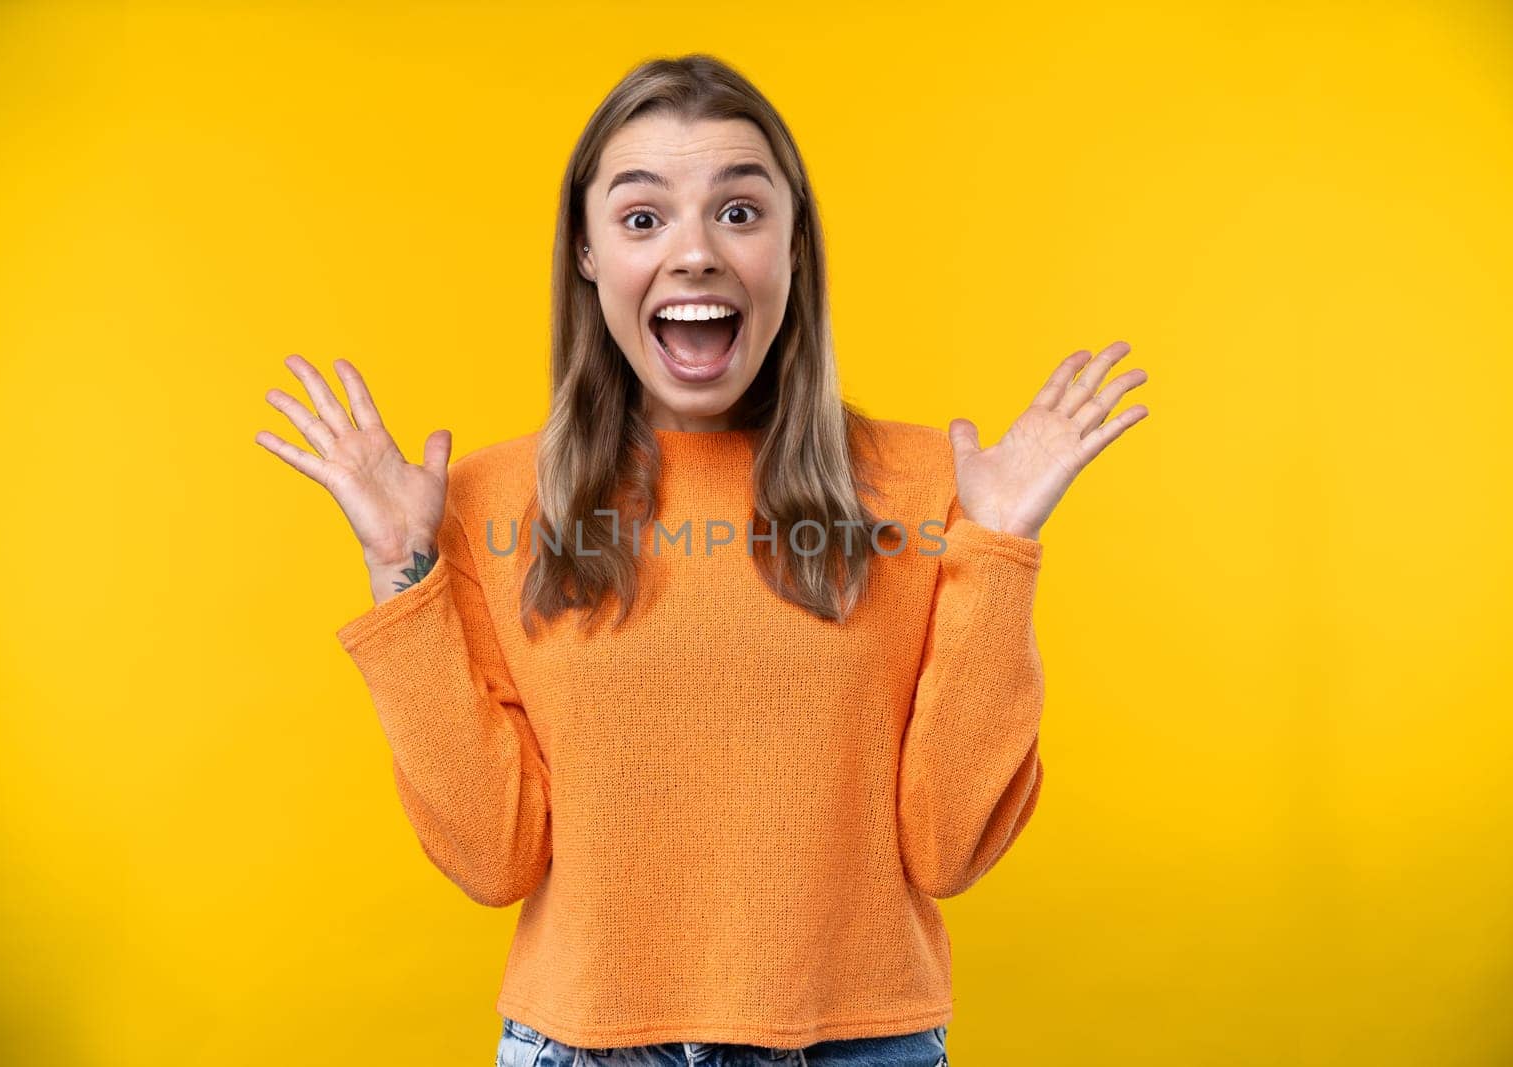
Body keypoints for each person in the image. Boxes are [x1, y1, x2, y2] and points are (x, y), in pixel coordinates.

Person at [255, 53, 1147, 1067]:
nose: (694, 255)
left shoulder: (932, 488)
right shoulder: (488, 505)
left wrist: (998, 549)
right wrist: (399, 576)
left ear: (792, 245)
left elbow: (949, 849)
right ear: (587, 254)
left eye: (738, 211)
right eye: (642, 218)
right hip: (580, 1046)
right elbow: (493, 857)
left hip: (862, 1043)